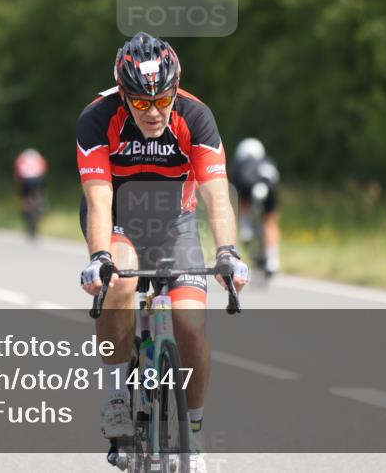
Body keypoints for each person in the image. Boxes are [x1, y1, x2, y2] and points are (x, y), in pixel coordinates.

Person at [77, 31, 248, 472]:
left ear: (176, 90)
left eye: (162, 100)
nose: (153, 112)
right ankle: (116, 397)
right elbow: (97, 199)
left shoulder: (197, 116)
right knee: (122, 281)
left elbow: (217, 198)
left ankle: (192, 432)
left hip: (175, 224)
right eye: (140, 103)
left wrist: (228, 251)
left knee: (190, 326)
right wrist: (101, 258)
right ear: (123, 94)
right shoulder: (97, 118)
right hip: (118, 221)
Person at [229, 137, 282, 276]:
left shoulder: (239, 163)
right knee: (270, 221)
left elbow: (235, 188)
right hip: (269, 189)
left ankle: (246, 229)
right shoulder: (268, 161)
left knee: (242, 204)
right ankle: (273, 260)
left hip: (247, 187)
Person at [14, 148, 48, 237]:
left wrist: (19, 182)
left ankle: (25, 210)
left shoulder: (21, 158)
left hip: (25, 180)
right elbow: (44, 169)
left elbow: (17, 171)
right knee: (41, 193)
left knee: (24, 198)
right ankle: (41, 204)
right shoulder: (39, 157)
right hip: (38, 179)